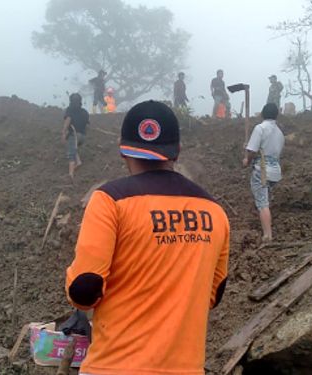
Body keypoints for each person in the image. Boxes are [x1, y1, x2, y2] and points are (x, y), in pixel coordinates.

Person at [65, 100, 230, 375]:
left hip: (114, 367)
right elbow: (214, 296)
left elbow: (84, 290)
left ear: (122, 148)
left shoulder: (109, 201)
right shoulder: (214, 211)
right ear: (176, 151)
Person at [243, 103, 285, 243]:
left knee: (262, 203)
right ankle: (266, 227)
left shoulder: (260, 128)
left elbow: (252, 150)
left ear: (262, 113)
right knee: (265, 200)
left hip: (261, 171)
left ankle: (267, 235)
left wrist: (246, 160)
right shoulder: (279, 132)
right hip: (275, 171)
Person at [62, 93, 90, 183]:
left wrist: (63, 133)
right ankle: (78, 162)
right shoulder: (85, 112)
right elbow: (87, 124)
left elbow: (68, 120)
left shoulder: (70, 110)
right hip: (83, 136)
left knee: (71, 153)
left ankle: (71, 174)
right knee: (74, 148)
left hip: (74, 134)